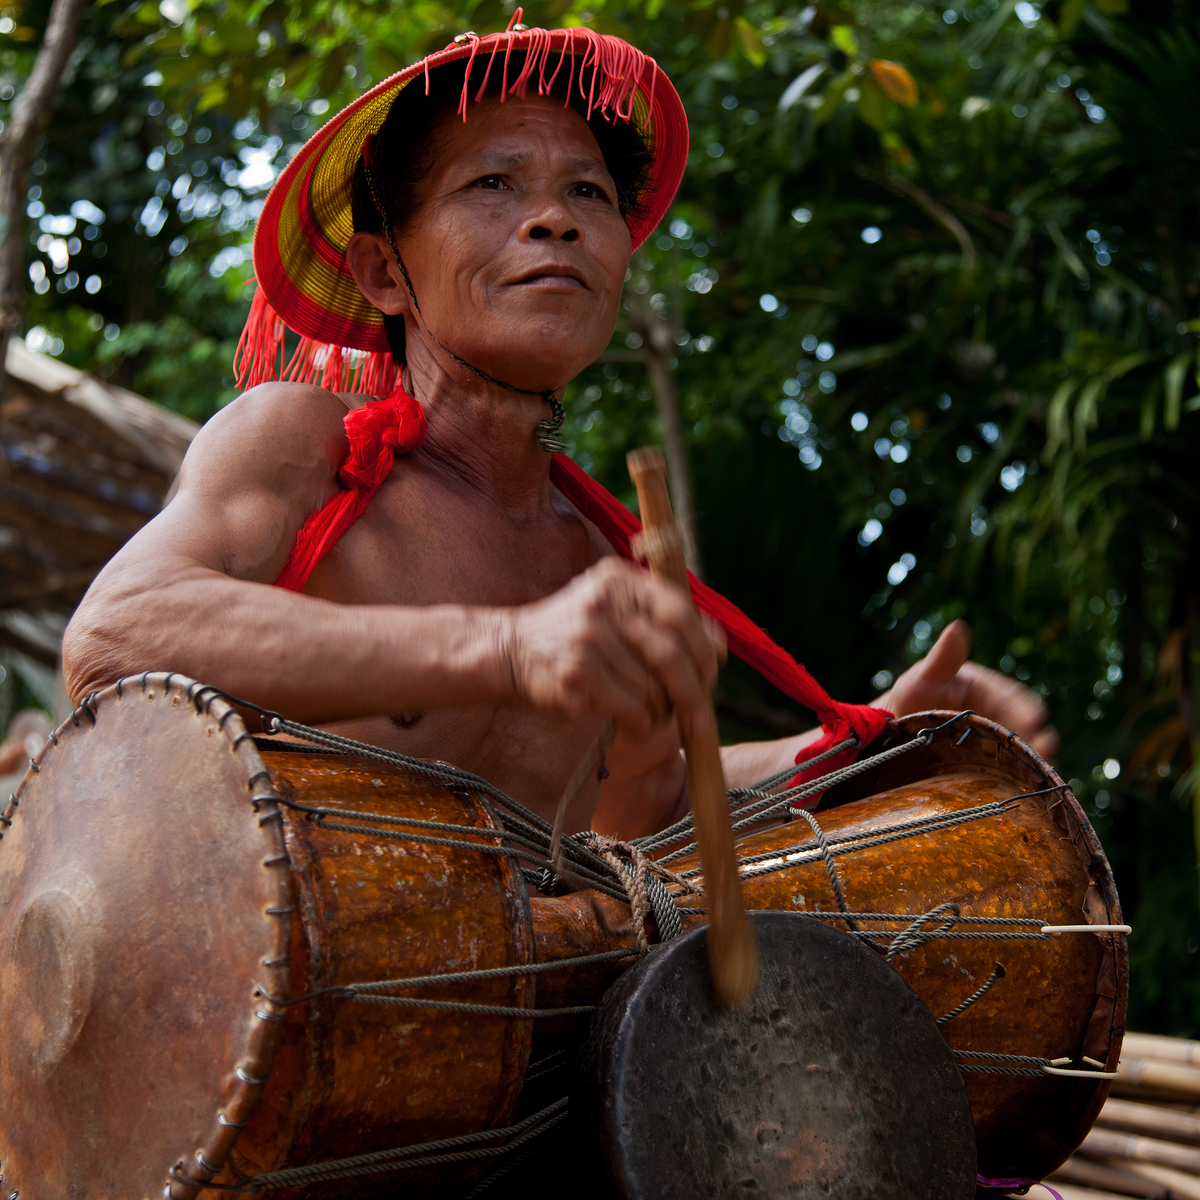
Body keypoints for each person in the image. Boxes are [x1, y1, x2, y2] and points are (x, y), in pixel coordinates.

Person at [62, 21, 1055, 841]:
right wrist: (505, 650)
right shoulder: (306, 448)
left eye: (587, 192)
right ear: (380, 272)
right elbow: (114, 636)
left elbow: (657, 801)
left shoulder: (601, 556)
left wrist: (885, 736)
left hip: (496, 1062)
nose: (554, 220)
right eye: (491, 185)